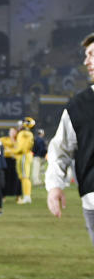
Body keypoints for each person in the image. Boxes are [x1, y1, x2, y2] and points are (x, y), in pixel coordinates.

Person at [46, 32, 94, 245]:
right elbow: (60, 150)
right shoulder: (78, 106)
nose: (86, 62)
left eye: (92, 54)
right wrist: (55, 185)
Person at [11, 116, 35, 203]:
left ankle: (27, 196)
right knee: (24, 177)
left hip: (23, 155)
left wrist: (12, 151)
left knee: (25, 177)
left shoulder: (23, 133)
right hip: (25, 155)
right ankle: (26, 196)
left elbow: (20, 148)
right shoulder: (28, 133)